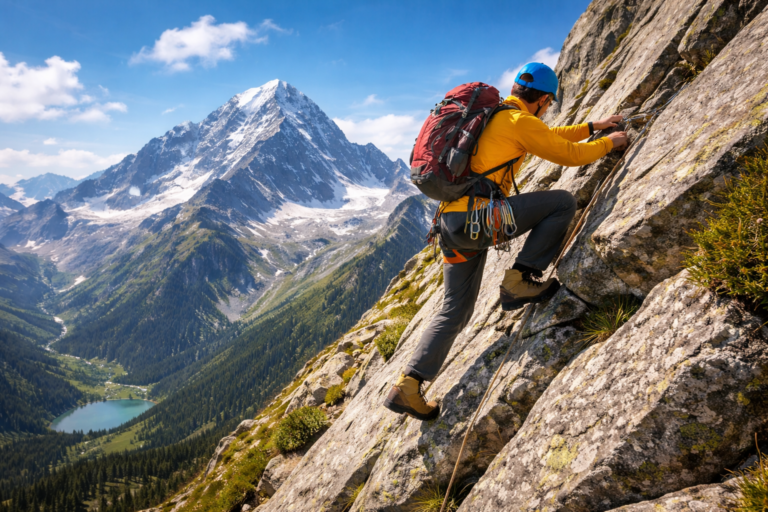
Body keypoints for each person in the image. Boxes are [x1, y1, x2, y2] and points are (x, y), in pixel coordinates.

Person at [383, 62, 628, 421]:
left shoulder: (496, 118)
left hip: (451, 225)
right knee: (561, 202)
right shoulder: (519, 122)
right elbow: (568, 154)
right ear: (544, 99)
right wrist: (610, 142)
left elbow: (549, 135)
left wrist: (593, 126)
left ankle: (408, 385)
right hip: (479, 221)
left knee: (455, 308)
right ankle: (519, 280)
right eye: (549, 103)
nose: (548, 109)